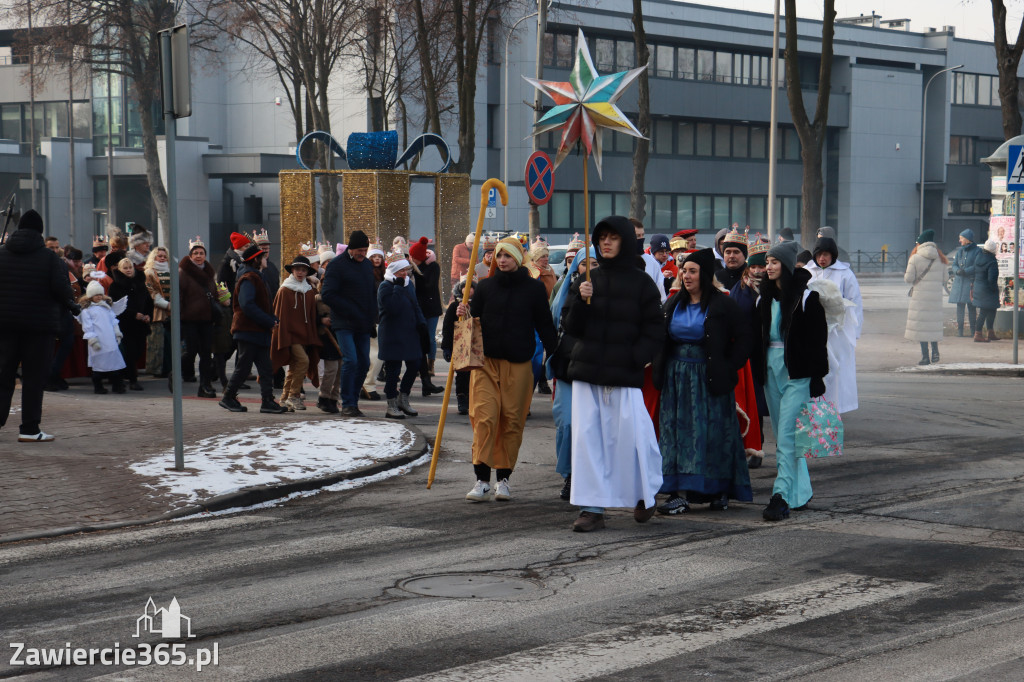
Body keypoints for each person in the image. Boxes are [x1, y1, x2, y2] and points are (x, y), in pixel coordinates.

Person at [562, 216, 665, 532]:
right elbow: (571, 326)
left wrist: (638, 357)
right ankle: (592, 508)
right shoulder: (586, 280)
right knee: (588, 439)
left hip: (624, 371)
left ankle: (644, 494)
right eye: (601, 237)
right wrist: (581, 298)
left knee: (635, 437)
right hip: (588, 370)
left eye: (613, 237)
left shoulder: (641, 282)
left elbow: (655, 327)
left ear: (624, 241)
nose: (606, 242)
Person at [456, 237, 557, 503]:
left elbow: (545, 324)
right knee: (484, 418)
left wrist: (557, 355)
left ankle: (503, 479)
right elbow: (473, 322)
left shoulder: (534, 289)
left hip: (519, 364)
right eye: (499, 256)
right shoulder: (486, 287)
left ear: (518, 258)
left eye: (507, 256)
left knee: (512, 421)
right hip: (486, 363)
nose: (501, 260)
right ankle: (481, 480)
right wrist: (463, 313)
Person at [654, 248, 752, 514]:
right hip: (677, 379)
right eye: (684, 271)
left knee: (714, 433)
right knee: (676, 434)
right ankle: (678, 492)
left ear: (705, 275)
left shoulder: (722, 304)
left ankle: (719, 490)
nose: (686, 276)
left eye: (692, 271)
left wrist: (730, 366)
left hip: (709, 379)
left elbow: (745, 338)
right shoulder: (673, 303)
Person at [755, 240, 828, 521]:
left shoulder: (807, 299)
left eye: (774, 262)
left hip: (798, 375)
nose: (768, 267)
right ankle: (801, 493)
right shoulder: (763, 299)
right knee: (788, 437)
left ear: (785, 265)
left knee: (785, 435)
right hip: (771, 374)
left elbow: (818, 343)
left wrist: (817, 377)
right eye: (767, 262)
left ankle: (781, 495)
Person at [0, 210, 79, 442]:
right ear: (40, 232)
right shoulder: (50, 258)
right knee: (34, 378)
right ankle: (29, 429)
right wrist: (73, 306)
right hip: (39, 326)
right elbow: (61, 288)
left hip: (4, 325)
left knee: (3, 375)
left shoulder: (1, 254)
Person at [547, 247, 597, 501]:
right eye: (584, 263)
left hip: (598, 367)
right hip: (568, 365)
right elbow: (558, 323)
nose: (589, 268)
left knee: (593, 426)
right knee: (566, 423)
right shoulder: (566, 290)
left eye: (596, 263)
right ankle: (569, 474)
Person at [219, 243, 288, 414]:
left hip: (258, 330)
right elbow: (247, 305)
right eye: (262, 256)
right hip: (248, 330)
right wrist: (268, 321)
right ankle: (228, 397)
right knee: (243, 366)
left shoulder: (256, 276)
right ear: (255, 259)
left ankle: (267, 401)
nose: (265, 259)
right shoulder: (249, 278)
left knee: (265, 368)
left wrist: (272, 318)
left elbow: (260, 305)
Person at [321, 230, 377, 417]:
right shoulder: (337, 265)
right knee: (351, 360)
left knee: (363, 362)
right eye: (359, 250)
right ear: (351, 249)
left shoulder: (367, 266)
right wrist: (350, 309)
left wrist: (372, 319)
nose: (363, 253)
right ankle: (347, 403)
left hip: (363, 323)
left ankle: (353, 402)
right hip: (344, 322)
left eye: (365, 249)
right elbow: (328, 294)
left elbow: (371, 294)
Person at [804, 235, 863, 413]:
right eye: (819, 254)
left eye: (826, 255)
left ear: (833, 255)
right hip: (813, 329)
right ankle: (814, 406)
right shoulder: (808, 271)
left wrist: (855, 331)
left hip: (837, 331)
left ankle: (835, 407)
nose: (822, 258)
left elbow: (855, 302)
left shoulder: (845, 274)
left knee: (836, 369)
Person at [378, 256, 428, 418]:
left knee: (415, 364)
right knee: (393, 371)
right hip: (392, 334)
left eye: (406, 270)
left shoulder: (408, 285)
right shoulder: (385, 286)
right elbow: (393, 308)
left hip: (410, 332)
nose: (405, 274)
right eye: (401, 271)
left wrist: (422, 323)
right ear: (394, 271)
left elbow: (415, 305)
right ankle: (391, 404)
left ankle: (403, 398)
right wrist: (398, 287)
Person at [271, 254, 322, 411]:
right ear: (292, 271)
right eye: (297, 269)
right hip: (289, 334)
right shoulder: (285, 290)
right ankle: (294, 396)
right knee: (303, 361)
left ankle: (284, 398)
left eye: (303, 270)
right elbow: (279, 315)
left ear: (307, 272)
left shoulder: (309, 291)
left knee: (294, 366)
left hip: (304, 335)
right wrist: (282, 334)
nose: (300, 273)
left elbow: (312, 314)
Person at [178, 236, 219, 397]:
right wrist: (179, 318)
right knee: (190, 352)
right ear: (190, 255)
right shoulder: (183, 273)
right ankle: (174, 372)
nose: (198, 256)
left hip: (207, 320)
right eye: (195, 253)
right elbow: (179, 297)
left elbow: (213, 293)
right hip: (189, 320)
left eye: (201, 253)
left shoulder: (209, 272)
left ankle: (205, 385)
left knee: (206, 354)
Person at [108, 253, 153, 391]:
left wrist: (147, 315)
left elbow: (149, 302)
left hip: (140, 324)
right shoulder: (115, 286)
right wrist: (134, 315)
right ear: (120, 270)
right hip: (125, 324)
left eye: (130, 267)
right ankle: (133, 379)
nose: (128, 270)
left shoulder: (140, 283)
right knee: (130, 352)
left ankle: (126, 374)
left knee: (139, 350)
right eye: (125, 268)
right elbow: (115, 306)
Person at [904, 230, 948, 365]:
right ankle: (935, 352)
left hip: (920, 298)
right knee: (932, 326)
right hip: (935, 298)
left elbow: (908, 279)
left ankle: (925, 357)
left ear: (921, 243)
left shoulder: (915, 258)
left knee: (922, 327)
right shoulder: (940, 258)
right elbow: (945, 278)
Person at [409, 236, 445, 396]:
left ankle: (430, 366)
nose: (412, 260)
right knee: (419, 340)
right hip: (418, 309)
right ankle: (423, 372)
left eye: (415, 258)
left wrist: (416, 274)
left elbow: (429, 286)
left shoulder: (433, 267)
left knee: (429, 338)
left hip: (431, 308)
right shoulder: (410, 268)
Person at [79, 279, 128, 394]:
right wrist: (92, 339)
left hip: (110, 341)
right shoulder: (87, 311)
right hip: (98, 342)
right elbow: (87, 326)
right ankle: (98, 386)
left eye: (100, 294)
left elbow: (113, 321)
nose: (99, 297)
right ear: (90, 296)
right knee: (99, 367)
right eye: (96, 295)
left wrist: (117, 333)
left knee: (115, 365)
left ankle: (117, 385)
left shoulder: (107, 308)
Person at [441, 276, 477, 415]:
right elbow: (447, 328)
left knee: (474, 375)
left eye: (471, 286)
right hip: (459, 345)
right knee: (461, 374)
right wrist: (446, 347)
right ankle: (462, 398)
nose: (468, 289)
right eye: (465, 286)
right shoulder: (454, 306)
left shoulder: (479, 305)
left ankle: (472, 399)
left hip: (474, 345)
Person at [361, 242, 387, 400]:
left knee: (377, 355)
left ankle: (367, 383)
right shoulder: (366, 274)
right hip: (372, 319)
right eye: (373, 256)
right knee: (376, 355)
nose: (376, 259)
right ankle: (368, 384)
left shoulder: (385, 274)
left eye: (379, 256)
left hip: (381, 319)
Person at [144, 246, 172, 378]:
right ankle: (157, 369)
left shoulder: (173, 271)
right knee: (157, 342)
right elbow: (151, 292)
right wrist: (166, 304)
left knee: (170, 342)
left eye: (164, 256)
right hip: (157, 310)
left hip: (172, 311)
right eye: (159, 256)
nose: (162, 258)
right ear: (154, 257)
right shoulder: (149, 272)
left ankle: (170, 368)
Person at [949, 228, 979, 337]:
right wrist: (957, 270)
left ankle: (973, 332)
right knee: (960, 308)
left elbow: (977, 266)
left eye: (961, 238)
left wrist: (965, 271)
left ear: (967, 239)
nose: (959, 240)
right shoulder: (960, 251)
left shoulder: (977, 251)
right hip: (959, 283)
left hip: (970, 283)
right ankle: (960, 332)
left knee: (972, 308)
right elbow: (954, 264)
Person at [972, 240, 1000, 343]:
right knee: (984, 312)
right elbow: (991, 279)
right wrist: (994, 289)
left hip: (979, 287)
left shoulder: (979, 257)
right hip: (988, 290)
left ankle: (990, 332)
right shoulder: (992, 261)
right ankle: (978, 334)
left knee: (992, 309)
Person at [637, 222, 667, 302]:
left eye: (642, 235)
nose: (641, 238)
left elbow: (661, 296)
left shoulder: (652, 262)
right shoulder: (617, 261)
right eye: (637, 236)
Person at [715, 226, 748, 290]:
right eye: (728, 252)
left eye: (736, 252)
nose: (731, 256)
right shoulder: (716, 278)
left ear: (744, 255)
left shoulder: (751, 277)